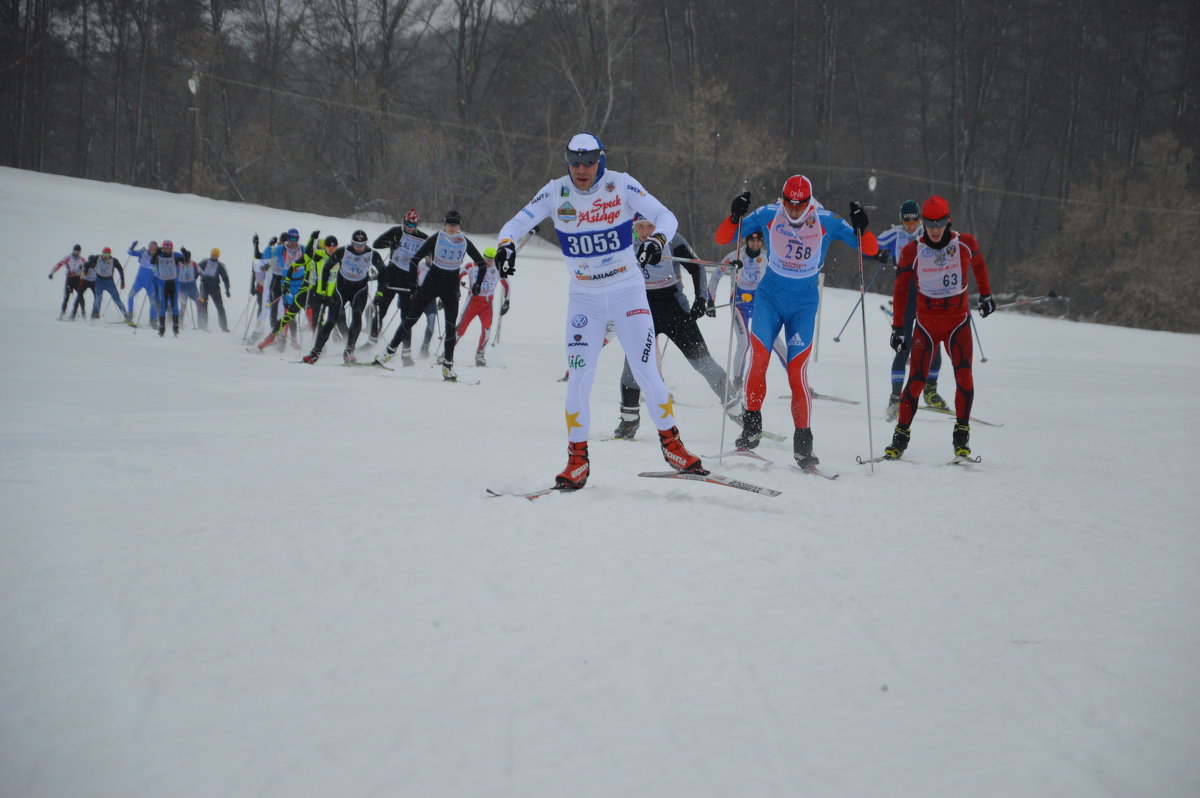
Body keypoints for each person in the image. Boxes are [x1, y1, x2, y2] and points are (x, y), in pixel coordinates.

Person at [494, 132, 704, 489]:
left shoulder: (621, 185)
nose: (581, 169)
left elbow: (665, 216)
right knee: (579, 378)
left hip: (627, 293)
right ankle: (576, 461)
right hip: (585, 300)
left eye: (588, 161)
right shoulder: (556, 191)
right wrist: (506, 245)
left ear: (600, 160)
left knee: (646, 371)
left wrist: (656, 240)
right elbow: (515, 224)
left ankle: (674, 447)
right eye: (574, 162)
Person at [713, 175, 878, 469]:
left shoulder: (825, 219)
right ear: (783, 198)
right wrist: (735, 214)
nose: (793, 209)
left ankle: (803, 446)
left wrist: (862, 227)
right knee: (759, 360)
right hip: (769, 298)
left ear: (809, 200)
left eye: (800, 203)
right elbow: (723, 237)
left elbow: (870, 249)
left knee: (796, 373)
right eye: (788, 201)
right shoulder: (768, 214)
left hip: (802, 305)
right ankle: (750, 431)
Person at [884, 195, 994, 460]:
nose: (935, 228)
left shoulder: (965, 244)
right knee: (916, 380)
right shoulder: (913, 251)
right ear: (923, 222)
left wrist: (987, 295)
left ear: (948, 221)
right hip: (926, 325)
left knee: (964, 377)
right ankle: (900, 438)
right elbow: (900, 291)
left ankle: (961, 437)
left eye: (940, 222)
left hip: (958, 324)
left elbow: (979, 266)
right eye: (930, 223)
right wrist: (898, 327)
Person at [612, 215, 738, 440]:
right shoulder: (625, 242)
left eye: (649, 226)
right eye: (639, 227)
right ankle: (629, 422)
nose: (644, 232)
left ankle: (738, 412)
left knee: (703, 363)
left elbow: (697, 268)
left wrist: (700, 299)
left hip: (674, 310)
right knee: (632, 366)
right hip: (641, 310)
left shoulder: (672, 238)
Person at [375, 210, 487, 380]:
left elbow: (482, 264)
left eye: (455, 225)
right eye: (449, 225)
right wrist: (414, 284)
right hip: (431, 283)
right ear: (444, 225)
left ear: (459, 226)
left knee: (450, 327)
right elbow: (414, 259)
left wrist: (477, 284)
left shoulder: (464, 241)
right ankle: (389, 351)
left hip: (450, 287)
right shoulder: (437, 238)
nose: (452, 228)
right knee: (411, 318)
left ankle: (448, 366)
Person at [877, 200, 946, 420]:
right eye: (906, 220)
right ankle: (896, 396)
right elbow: (871, 246)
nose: (910, 225)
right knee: (903, 346)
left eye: (914, 220)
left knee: (934, 343)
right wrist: (879, 255)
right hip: (905, 295)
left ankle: (930, 391)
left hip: (928, 295)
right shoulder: (894, 235)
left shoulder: (930, 233)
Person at [704, 229, 788, 400]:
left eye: (758, 240)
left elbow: (783, 276)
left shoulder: (768, 256)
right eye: (752, 240)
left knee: (776, 342)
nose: (755, 243)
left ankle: (797, 380)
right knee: (744, 342)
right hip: (739, 303)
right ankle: (737, 383)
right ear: (747, 241)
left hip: (760, 303)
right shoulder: (735, 256)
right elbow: (715, 276)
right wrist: (710, 300)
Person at [303, 229, 384, 364]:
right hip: (342, 288)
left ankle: (349, 351)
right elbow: (326, 268)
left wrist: (380, 291)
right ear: (351, 243)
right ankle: (315, 352)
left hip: (360, 289)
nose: (359, 248)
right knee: (331, 319)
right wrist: (323, 290)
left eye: (362, 244)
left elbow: (383, 272)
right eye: (356, 245)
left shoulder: (372, 254)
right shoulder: (343, 251)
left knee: (357, 315)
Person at [371, 208, 429, 345]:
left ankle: (405, 348)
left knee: (407, 316)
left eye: (413, 225)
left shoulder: (423, 238)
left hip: (408, 279)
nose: (410, 228)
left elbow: (433, 253)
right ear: (404, 222)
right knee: (381, 309)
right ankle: (372, 339)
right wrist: (390, 244)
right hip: (392, 275)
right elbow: (376, 244)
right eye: (408, 224)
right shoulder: (396, 232)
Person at [455, 246, 509, 366]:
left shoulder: (497, 269)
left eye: (491, 259)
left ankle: (480, 355)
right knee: (460, 329)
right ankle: (447, 353)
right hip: (472, 302)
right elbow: (457, 274)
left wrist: (507, 302)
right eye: (486, 258)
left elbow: (507, 285)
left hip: (487, 304)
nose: (488, 261)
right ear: (483, 256)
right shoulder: (472, 266)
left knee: (487, 330)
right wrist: (456, 289)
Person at [86, 247, 128, 321]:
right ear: (102, 253)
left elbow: (120, 270)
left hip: (109, 282)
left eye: (107, 254)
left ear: (110, 254)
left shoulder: (114, 261)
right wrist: (85, 270)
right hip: (99, 281)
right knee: (98, 298)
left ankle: (126, 315)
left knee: (116, 299)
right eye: (104, 253)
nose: (105, 256)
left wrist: (122, 281)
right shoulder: (97, 258)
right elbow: (88, 264)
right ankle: (96, 313)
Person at [151, 239, 183, 337]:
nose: (167, 250)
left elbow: (185, 259)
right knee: (163, 305)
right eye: (165, 248)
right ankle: (162, 328)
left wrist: (186, 254)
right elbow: (152, 262)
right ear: (163, 248)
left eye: (169, 249)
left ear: (172, 249)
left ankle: (175, 328)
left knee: (174, 305)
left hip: (174, 282)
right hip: (163, 283)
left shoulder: (175, 255)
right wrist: (156, 253)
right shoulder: (159, 255)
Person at [125, 240, 161, 325]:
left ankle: (153, 320)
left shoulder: (159, 257)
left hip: (150, 284)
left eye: (153, 249)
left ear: (156, 249)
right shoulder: (143, 252)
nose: (151, 251)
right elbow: (129, 252)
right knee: (130, 295)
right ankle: (130, 314)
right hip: (139, 281)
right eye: (150, 249)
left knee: (153, 302)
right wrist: (132, 247)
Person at [49, 244, 88, 320]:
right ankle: (62, 314)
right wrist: (52, 273)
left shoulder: (82, 260)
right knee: (66, 297)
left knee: (80, 296)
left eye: (78, 251)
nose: (76, 253)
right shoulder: (68, 258)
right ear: (73, 250)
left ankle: (83, 313)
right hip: (69, 280)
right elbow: (59, 264)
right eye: (75, 251)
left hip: (77, 280)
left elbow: (87, 268)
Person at [197, 248, 231, 332]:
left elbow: (225, 278)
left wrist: (227, 289)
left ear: (218, 256)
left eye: (216, 255)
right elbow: (196, 270)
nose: (214, 257)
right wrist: (193, 280)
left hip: (215, 288)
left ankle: (224, 327)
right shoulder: (204, 262)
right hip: (204, 286)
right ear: (210, 254)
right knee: (203, 305)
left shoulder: (220, 265)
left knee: (220, 307)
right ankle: (202, 325)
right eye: (213, 255)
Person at [176, 248, 201, 325]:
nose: (186, 260)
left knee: (199, 303)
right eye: (185, 258)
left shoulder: (194, 264)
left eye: (188, 258)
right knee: (183, 305)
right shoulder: (179, 264)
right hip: (182, 287)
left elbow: (200, 272)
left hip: (192, 286)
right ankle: (180, 323)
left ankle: (201, 323)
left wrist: (195, 278)